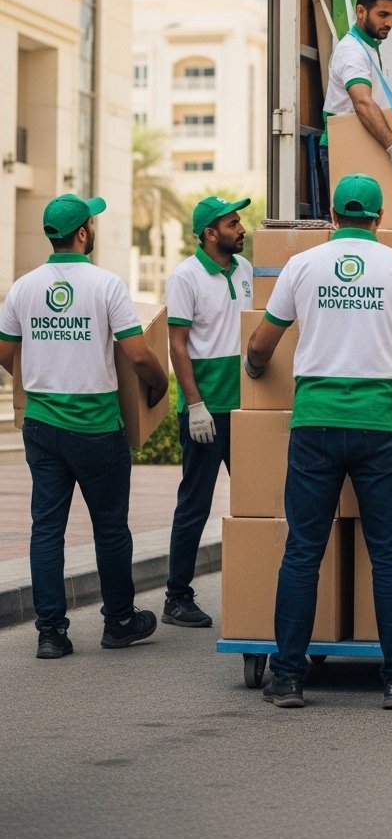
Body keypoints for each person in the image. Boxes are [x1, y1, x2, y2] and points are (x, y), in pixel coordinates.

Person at [245, 173, 392, 710]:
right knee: (389, 554)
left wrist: (255, 367)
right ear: (379, 215)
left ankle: (290, 678)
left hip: (315, 424)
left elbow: (261, 344)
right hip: (382, 427)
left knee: (302, 551)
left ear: (335, 216)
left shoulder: (301, 266)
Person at [0, 193, 168, 659]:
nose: (94, 228)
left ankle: (51, 632)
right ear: (82, 233)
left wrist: (39, 382)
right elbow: (137, 353)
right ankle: (118, 622)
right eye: (91, 223)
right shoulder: (106, 285)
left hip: (42, 426)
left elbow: (4, 352)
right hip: (96, 426)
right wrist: (159, 386)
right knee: (110, 528)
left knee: (46, 530)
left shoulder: (23, 287)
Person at [163, 195, 253, 628]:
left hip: (245, 411)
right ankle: (177, 597)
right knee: (195, 504)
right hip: (206, 413)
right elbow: (177, 344)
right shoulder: (186, 276)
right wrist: (195, 405)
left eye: (240, 221)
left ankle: (262, 584)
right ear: (210, 233)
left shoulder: (246, 270)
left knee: (258, 502)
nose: (242, 228)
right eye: (233, 223)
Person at [319, 0, 392, 201]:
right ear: (361, 11)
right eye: (383, 14)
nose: (390, 22)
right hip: (344, 147)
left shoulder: (368, 47)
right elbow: (362, 102)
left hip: (360, 143)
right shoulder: (352, 52)